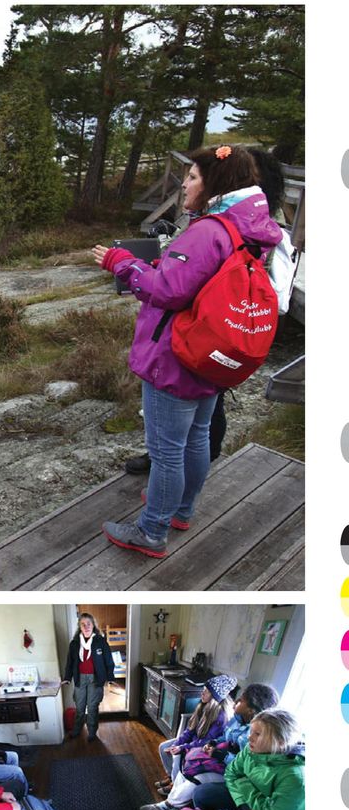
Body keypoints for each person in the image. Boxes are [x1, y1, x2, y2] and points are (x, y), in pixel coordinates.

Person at [94, 145, 282, 556]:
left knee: (166, 453)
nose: (185, 183)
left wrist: (121, 262)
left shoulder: (208, 231)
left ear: (215, 182)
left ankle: (152, 531)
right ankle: (181, 510)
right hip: (214, 353)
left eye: (193, 177)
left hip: (177, 356)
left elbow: (167, 291)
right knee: (196, 438)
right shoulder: (251, 228)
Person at [213, 709, 305, 810]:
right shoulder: (253, 748)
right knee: (202, 793)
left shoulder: (295, 776)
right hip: (255, 806)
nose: (249, 737)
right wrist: (246, 808)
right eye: (251, 731)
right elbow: (231, 773)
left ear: (280, 742)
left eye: (257, 734)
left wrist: (244, 784)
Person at [177, 682, 280, 810]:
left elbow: (248, 767)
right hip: (226, 763)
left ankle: (170, 805)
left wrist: (222, 755)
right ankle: (175, 800)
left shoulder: (256, 734)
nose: (235, 701)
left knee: (197, 777)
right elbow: (224, 736)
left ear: (251, 710)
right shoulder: (237, 720)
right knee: (190, 760)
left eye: (241, 700)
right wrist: (213, 742)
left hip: (235, 772)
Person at [142, 675, 235, 810]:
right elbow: (190, 731)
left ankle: (169, 804)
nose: (202, 693)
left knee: (178, 756)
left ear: (215, 697)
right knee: (165, 747)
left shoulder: (220, 716)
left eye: (206, 691)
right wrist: (178, 743)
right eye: (203, 689)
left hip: (200, 748)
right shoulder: (202, 705)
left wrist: (182, 747)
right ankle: (172, 781)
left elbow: (205, 742)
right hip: (193, 744)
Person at [61, 612, 116, 740]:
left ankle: (92, 732)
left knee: (92, 707)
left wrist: (110, 677)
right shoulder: (74, 643)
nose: (86, 627)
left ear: (93, 625)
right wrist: (67, 678)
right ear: (80, 627)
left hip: (96, 679)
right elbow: (70, 663)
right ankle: (77, 729)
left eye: (88, 624)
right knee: (79, 707)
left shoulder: (100, 641)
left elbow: (109, 660)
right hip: (80, 678)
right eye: (83, 624)